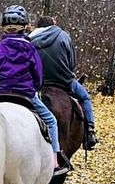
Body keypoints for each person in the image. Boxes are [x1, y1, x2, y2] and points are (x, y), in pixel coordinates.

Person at [0, 5, 67, 172]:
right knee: (51, 121)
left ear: (4, 27)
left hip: (1, 93)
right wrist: (33, 88)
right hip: (26, 95)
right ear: (24, 27)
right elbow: (38, 76)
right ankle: (55, 160)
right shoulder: (30, 48)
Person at [29, 15, 98, 148]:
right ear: (53, 24)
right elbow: (72, 63)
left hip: (39, 84)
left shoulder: (31, 39)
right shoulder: (64, 36)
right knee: (85, 98)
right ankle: (90, 132)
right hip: (64, 81)